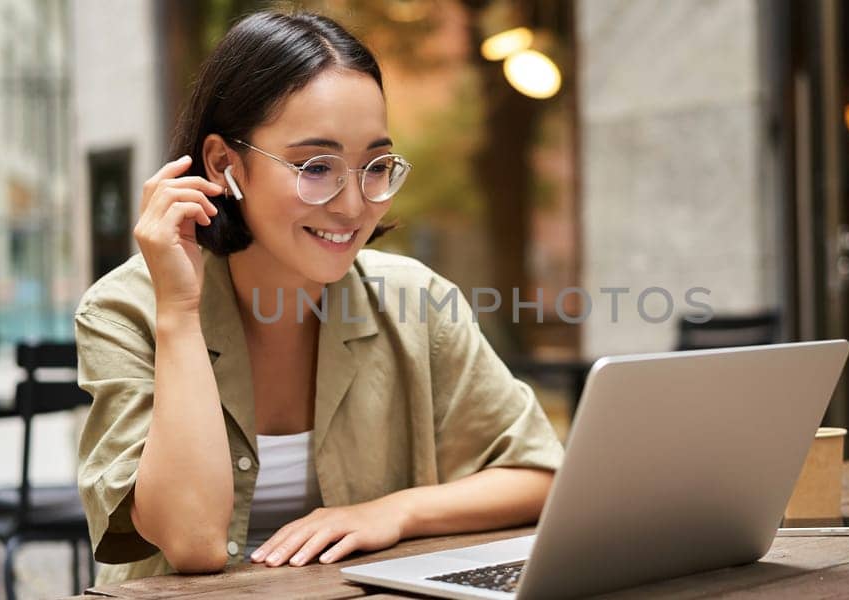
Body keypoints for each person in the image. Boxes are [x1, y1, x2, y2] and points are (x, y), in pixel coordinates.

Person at [74, 9, 563, 584]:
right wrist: (180, 315)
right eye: (316, 167)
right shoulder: (125, 311)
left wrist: (392, 512)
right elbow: (194, 541)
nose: (353, 206)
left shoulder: (417, 299)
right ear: (224, 165)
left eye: (375, 165)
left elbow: (541, 474)